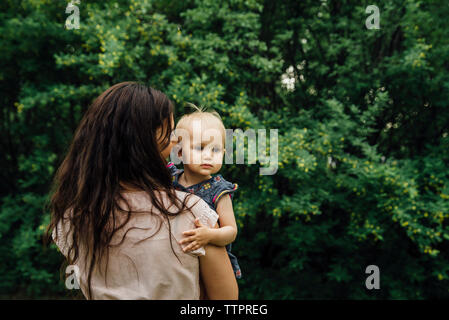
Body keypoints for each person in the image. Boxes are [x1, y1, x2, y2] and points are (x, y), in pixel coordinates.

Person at [47, 81, 238, 300]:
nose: (176, 143)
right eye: (170, 134)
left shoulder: (75, 217)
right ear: (145, 143)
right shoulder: (192, 211)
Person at [166, 105, 242, 284]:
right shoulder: (169, 178)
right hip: (176, 261)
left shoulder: (219, 190)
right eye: (200, 148)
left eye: (215, 150)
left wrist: (209, 235)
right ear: (179, 152)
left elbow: (231, 231)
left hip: (210, 264)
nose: (208, 156)